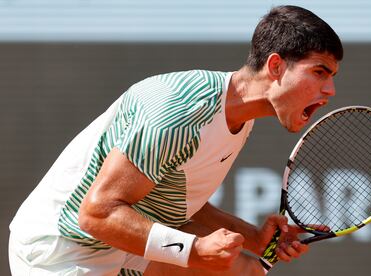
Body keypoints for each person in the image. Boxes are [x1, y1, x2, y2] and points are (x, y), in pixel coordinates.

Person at [8, 5, 343, 276]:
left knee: (243, 271)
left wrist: (254, 238)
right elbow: (97, 214)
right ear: (275, 67)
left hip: (116, 249)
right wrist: (194, 251)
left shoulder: (240, 118)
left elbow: (175, 203)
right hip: (60, 250)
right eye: (319, 72)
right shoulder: (181, 111)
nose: (329, 91)